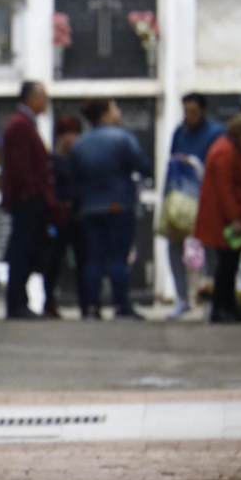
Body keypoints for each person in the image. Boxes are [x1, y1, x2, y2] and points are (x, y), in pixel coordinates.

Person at [71, 98, 153, 320]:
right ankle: (121, 305)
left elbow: (74, 175)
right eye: (115, 108)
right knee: (119, 256)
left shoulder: (80, 143)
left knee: (94, 258)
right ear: (105, 113)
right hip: (119, 204)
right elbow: (142, 165)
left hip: (90, 207)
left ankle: (91, 307)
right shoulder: (123, 138)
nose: (119, 112)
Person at [194, 112, 241, 322]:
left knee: (229, 265)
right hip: (224, 222)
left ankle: (228, 307)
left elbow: (237, 180)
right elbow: (225, 188)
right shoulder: (226, 152)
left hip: (226, 219)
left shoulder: (228, 150)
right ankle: (222, 309)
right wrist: (235, 218)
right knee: (226, 267)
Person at [162, 94, 223, 318]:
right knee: (174, 243)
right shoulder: (180, 132)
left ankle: (209, 297)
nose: (189, 116)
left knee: (209, 247)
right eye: (186, 111)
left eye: (193, 112)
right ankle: (182, 297)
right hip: (180, 195)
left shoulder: (215, 133)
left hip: (205, 196)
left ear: (204, 111)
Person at [0, 81, 56, 319]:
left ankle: (20, 301)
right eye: (43, 97)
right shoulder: (20, 126)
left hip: (28, 199)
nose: (46, 102)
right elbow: (21, 167)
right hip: (26, 201)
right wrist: (32, 193)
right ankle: (17, 303)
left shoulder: (24, 123)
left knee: (25, 250)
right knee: (21, 252)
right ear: (31, 99)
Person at [41, 113, 87, 316]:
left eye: (74, 134)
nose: (70, 139)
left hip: (80, 216)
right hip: (58, 217)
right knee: (52, 261)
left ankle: (87, 304)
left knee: (84, 260)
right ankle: (49, 303)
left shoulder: (84, 161)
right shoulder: (52, 161)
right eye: (66, 134)